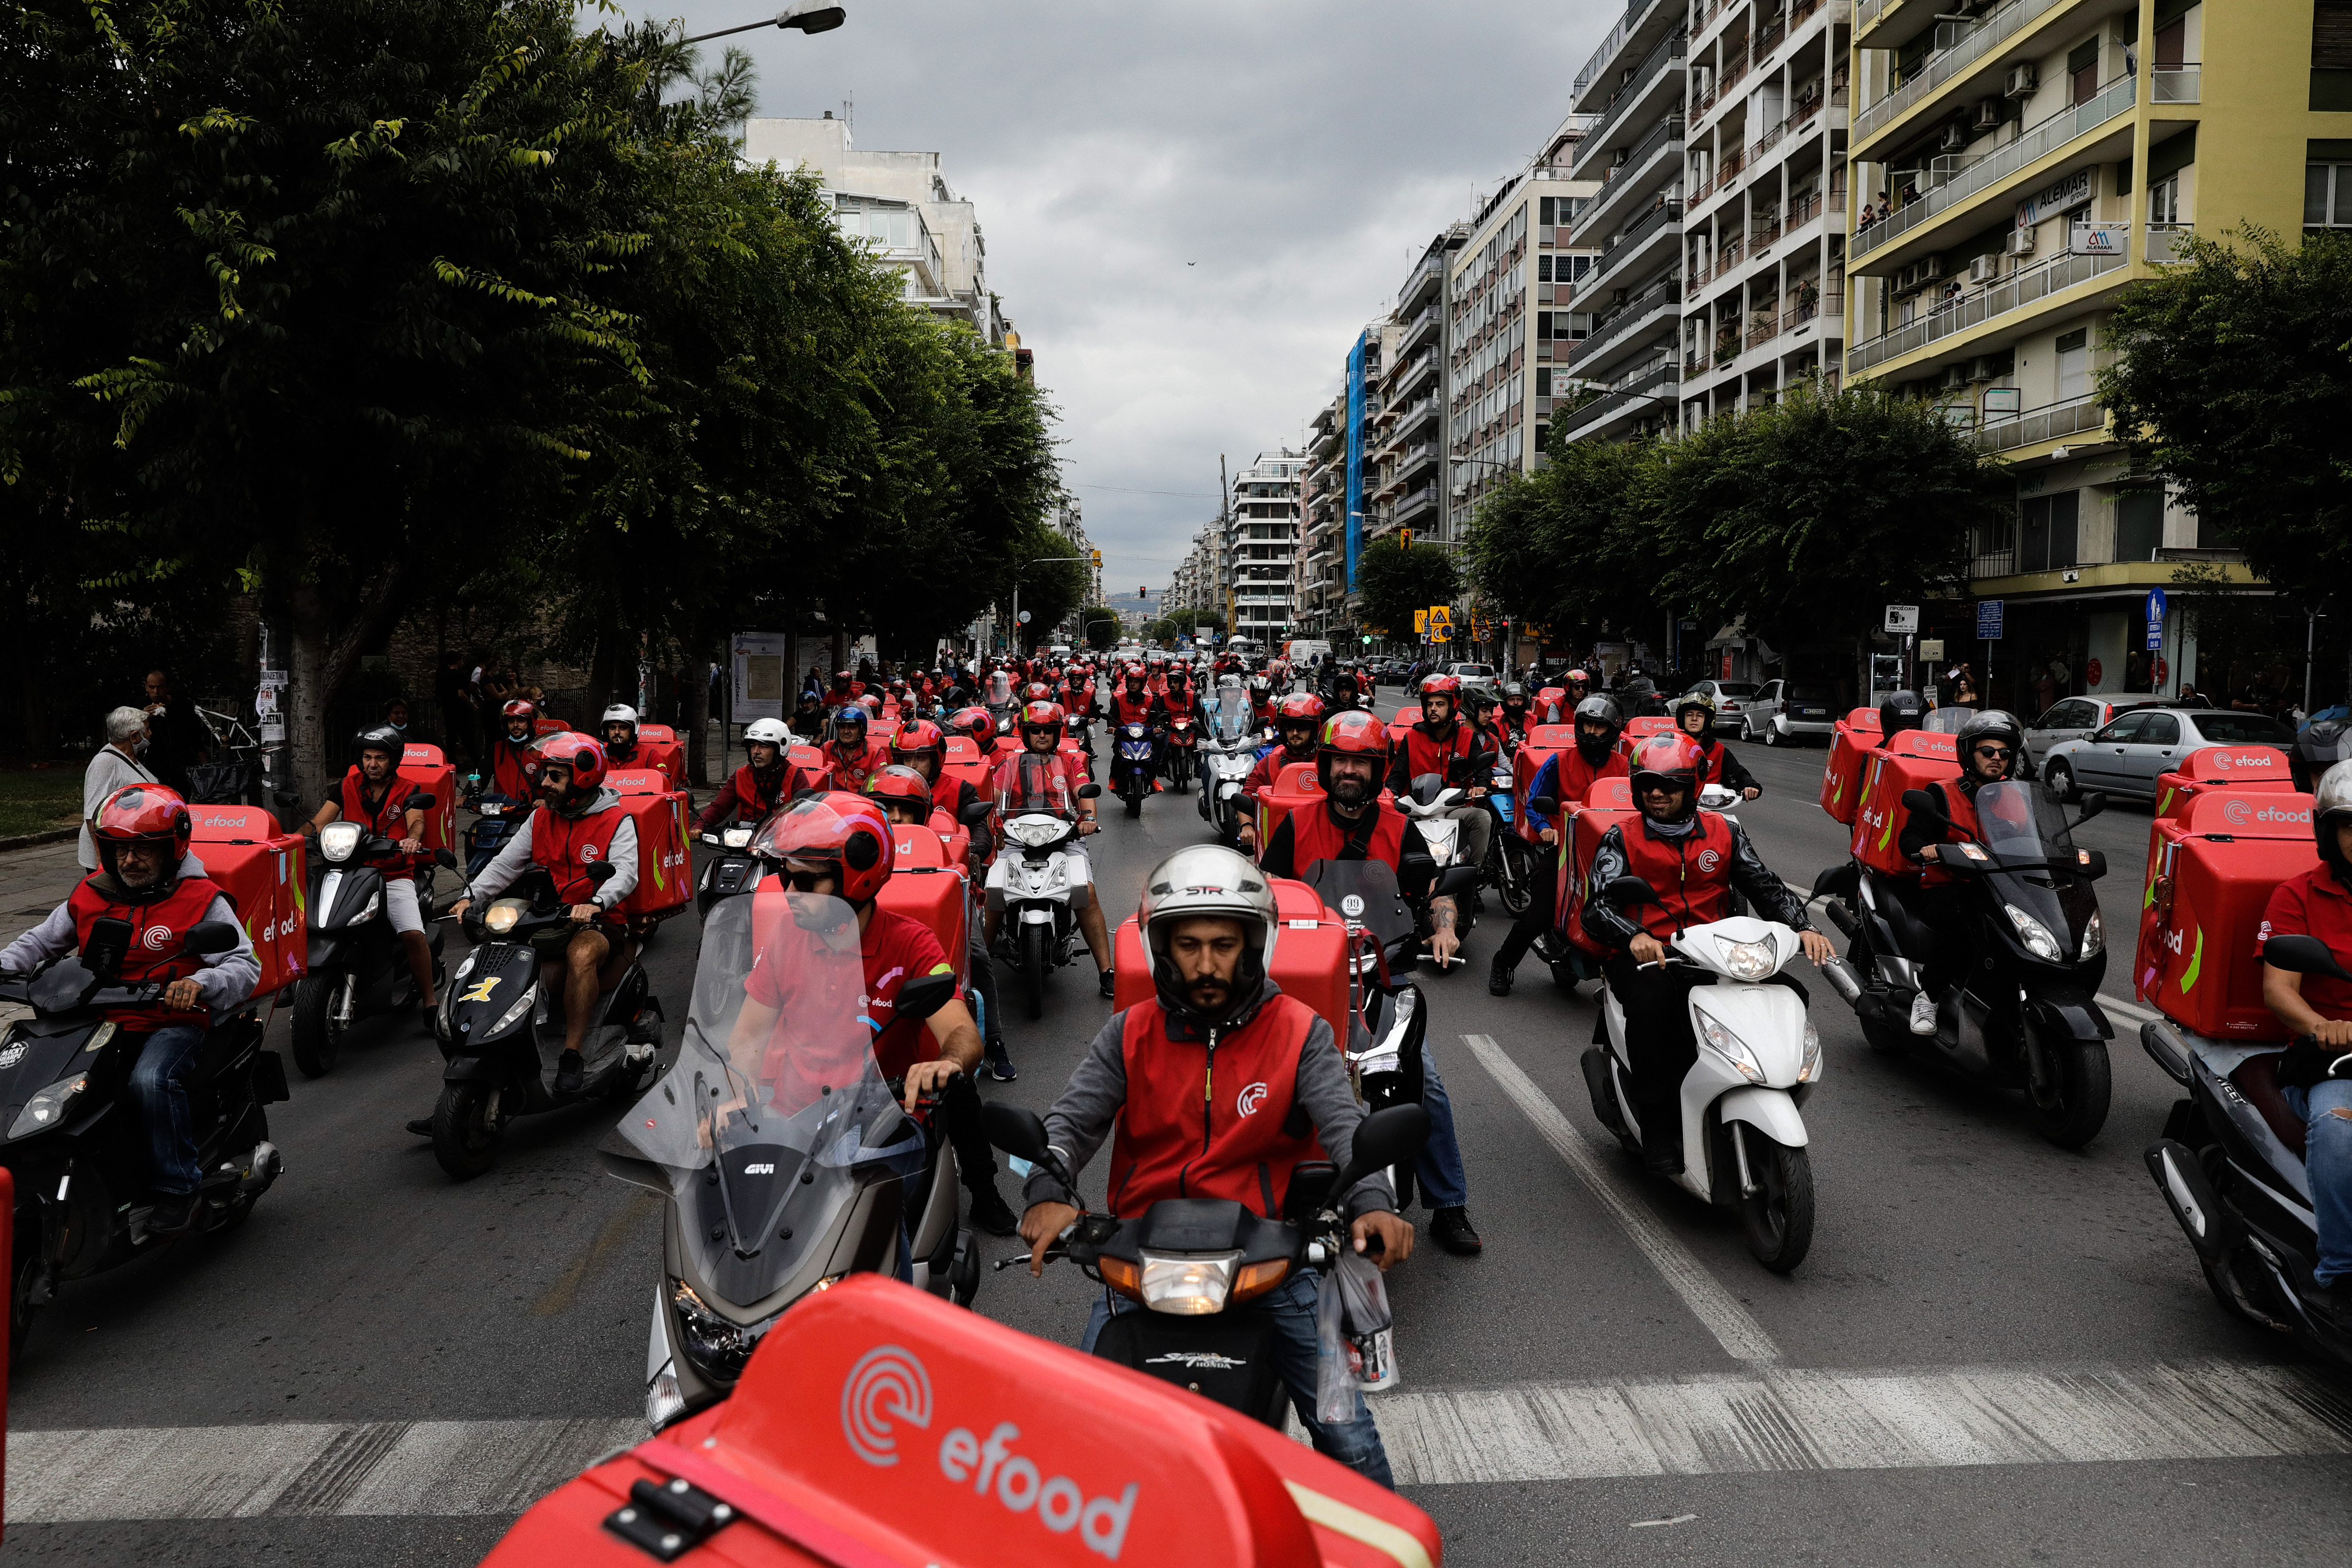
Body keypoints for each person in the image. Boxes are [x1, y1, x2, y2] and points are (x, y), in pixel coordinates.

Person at [1014, 845, 1415, 1484]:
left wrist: (1372, 1202)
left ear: (1256, 943)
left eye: (1224, 945)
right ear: (1161, 948)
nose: (1206, 964)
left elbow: (1346, 1128)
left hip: (1271, 1264)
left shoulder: (1301, 1031)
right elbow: (1067, 1125)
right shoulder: (1128, 1033)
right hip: (1140, 1267)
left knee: (1350, 1441)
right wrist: (1044, 1185)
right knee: (1080, 1448)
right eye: (1189, 945)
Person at [720, 793, 1015, 1237]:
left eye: (807, 882)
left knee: (870, 1238)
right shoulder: (786, 937)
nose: (790, 894)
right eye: (786, 879)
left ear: (856, 881)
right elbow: (746, 1039)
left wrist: (947, 1063)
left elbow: (961, 1031)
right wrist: (736, 1095)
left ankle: (981, 1193)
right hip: (793, 1120)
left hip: (882, 1120)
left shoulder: (912, 944)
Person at [1260, 710, 1482, 1256]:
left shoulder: (1400, 828)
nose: (1351, 772)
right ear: (1327, 765)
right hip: (1307, 975)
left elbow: (1434, 890)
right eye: (1342, 762)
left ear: (1378, 770)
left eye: (1362, 762)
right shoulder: (1296, 826)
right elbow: (1266, 889)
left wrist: (1446, 929)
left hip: (1383, 973)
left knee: (1422, 1079)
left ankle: (1448, 1204)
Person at [1, 783, 260, 1233]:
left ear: (171, 849)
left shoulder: (201, 899)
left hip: (168, 1022)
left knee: (150, 1080)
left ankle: (178, 1186)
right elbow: (41, 941)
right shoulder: (92, 893)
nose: (129, 861)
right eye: (119, 850)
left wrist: (198, 983)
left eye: (143, 850)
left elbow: (244, 965)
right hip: (93, 1019)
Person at [1582, 734, 1834, 1173]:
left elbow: (1765, 885)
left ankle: (1771, 1089)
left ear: (1693, 786)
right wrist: (1633, 934)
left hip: (1718, 954)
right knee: (1653, 1003)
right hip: (1651, 957)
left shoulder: (1726, 831)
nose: (1656, 793)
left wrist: (1805, 927)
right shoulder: (1620, 838)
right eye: (1647, 784)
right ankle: (1658, 1124)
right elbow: (1597, 907)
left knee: (1790, 993)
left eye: (1670, 784)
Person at [443, 733, 637, 1098]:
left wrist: (597, 901)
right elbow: (505, 864)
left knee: (581, 956)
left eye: (554, 777)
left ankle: (572, 1054)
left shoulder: (616, 820)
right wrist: (470, 897)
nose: (543, 783)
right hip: (553, 916)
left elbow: (626, 871)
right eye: (546, 775)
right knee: (498, 956)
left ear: (582, 778)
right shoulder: (541, 817)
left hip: (602, 920)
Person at [2257, 760, 2352, 1324]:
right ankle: (2339, 1273)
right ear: (2329, 832)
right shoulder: (2298, 896)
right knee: (2340, 1132)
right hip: (2335, 1060)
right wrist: (2322, 1025)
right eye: (2351, 825)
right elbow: (2278, 989)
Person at [1490, 696, 1630, 996]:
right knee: (1537, 916)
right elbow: (1533, 802)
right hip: (1566, 852)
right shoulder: (1559, 761)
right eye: (1587, 725)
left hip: (1613, 854)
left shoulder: (1624, 767)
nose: (1592, 732)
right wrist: (1544, 828)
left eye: (1600, 727)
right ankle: (1503, 963)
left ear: (1613, 731)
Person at [1898, 708, 2022, 1033]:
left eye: (2004, 753)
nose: (1997, 758)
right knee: (1965, 923)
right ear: (1970, 754)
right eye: (1988, 751)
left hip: (2001, 888)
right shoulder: (1942, 793)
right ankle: (1929, 996)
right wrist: (1928, 849)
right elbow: (1910, 836)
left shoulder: (2016, 797)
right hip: (1948, 887)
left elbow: (2035, 838)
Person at [983, 702, 1116, 997]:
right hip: (1016, 839)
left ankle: (1106, 971)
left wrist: (1089, 820)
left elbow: (1084, 792)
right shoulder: (1008, 765)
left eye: (1048, 730)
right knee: (994, 889)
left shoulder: (1070, 764)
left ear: (1057, 734)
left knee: (1086, 891)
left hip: (1065, 838)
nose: (1042, 735)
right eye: (1035, 730)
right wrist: (990, 824)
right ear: (1025, 733)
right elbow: (993, 797)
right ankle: (977, 971)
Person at [307, 728, 439, 1019]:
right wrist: (289, 841)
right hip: (350, 873)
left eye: (380, 758)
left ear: (393, 760)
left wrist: (411, 839)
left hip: (393, 875)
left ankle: (430, 1001)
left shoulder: (408, 789)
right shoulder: (346, 786)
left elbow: (416, 823)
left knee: (413, 934)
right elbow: (319, 823)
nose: (373, 764)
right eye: (367, 757)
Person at [1388, 675, 1496, 877]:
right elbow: (1397, 774)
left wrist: (1481, 785)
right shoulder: (1411, 738)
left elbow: (1482, 765)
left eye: (1440, 704)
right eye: (1429, 704)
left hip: (1454, 808)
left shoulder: (1467, 736)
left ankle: (1472, 873)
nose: (1433, 709)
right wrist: (1390, 793)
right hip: (1416, 811)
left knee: (1482, 817)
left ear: (1453, 705)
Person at [80, 707, 160, 871]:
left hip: (129, 849)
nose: (150, 734)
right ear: (134, 736)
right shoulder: (105, 762)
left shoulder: (131, 760)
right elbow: (93, 815)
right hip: (113, 856)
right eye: (147, 729)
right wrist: (102, 858)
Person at [695, 717, 802, 834]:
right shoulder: (741, 775)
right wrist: (699, 825)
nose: (756, 751)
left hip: (782, 841)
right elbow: (719, 807)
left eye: (764, 746)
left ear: (779, 749)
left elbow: (804, 813)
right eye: (752, 745)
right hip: (745, 841)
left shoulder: (795, 776)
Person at [1673, 694, 1760, 800]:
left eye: (1700, 715)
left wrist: (1750, 785)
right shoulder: (1672, 746)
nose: (1694, 719)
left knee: (1727, 818)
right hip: (1675, 807)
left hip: (1709, 806)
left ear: (1708, 720)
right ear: (1682, 718)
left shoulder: (1718, 750)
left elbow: (1737, 773)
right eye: (1689, 715)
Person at [139, 670, 211, 795]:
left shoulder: (183, 705)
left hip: (182, 764)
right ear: (146, 687)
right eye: (152, 687)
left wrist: (204, 764)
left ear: (168, 687)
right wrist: (142, 718)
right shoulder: (141, 707)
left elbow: (196, 736)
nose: (156, 692)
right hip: (154, 764)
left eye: (160, 687)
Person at [818, 705, 890, 797]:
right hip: (831, 802)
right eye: (842, 727)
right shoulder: (826, 748)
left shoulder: (875, 752)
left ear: (862, 730)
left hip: (861, 803)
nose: (846, 731)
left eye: (852, 727)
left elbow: (881, 783)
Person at [487, 699, 544, 802]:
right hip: (503, 809)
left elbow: (555, 781)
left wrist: (545, 800)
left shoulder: (543, 748)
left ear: (530, 723)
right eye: (511, 721)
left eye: (521, 721)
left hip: (532, 810)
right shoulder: (497, 749)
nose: (516, 725)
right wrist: (466, 795)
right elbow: (482, 775)